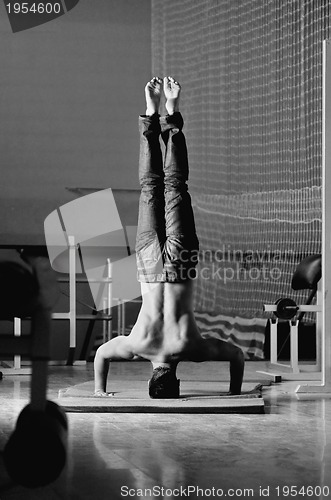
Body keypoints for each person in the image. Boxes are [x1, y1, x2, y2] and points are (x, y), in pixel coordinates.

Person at [94, 76, 244, 398]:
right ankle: (150, 114)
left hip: (179, 265)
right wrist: (98, 390)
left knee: (175, 186)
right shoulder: (136, 347)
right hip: (148, 266)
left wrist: (234, 393)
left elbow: (236, 356)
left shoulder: (190, 348)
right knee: (151, 187)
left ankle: (172, 115)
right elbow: (101, 355)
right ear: (150, 379)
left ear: (177, 381)